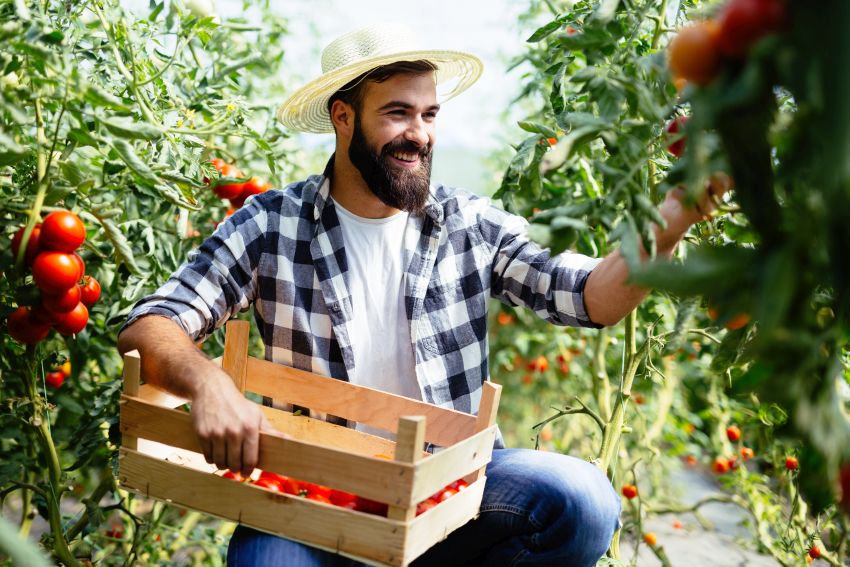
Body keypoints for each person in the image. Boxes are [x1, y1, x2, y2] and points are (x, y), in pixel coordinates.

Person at [118, 23, 724, 567]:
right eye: (398, 113)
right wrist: (210, 383)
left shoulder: (468, 222)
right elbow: (153, 322)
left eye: (430, 115)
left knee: (582, 500)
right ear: (343, 117)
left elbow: (589, 296)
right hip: (313, 501)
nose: (419, 135)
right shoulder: (272, 224)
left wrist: (670, 218)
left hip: (451, 492)